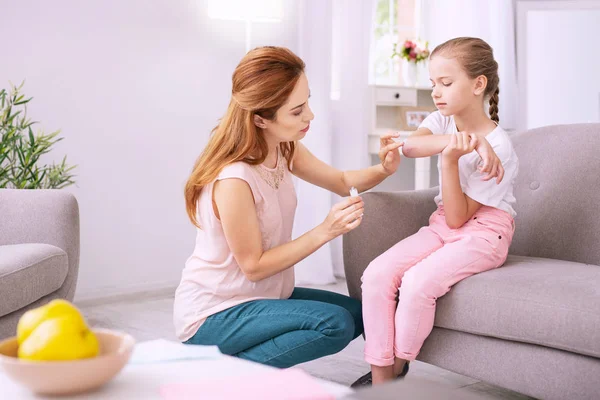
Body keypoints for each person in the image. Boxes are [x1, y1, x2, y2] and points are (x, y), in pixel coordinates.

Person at [173, 46, 405, 368]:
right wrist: (326, 230)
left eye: (307, 101)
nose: (309, 115)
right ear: (260, 119)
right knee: (334, 324)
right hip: (216, 312)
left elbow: (341, 180)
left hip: (263, 298)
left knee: (363, 312)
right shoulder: (234, 180)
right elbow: (253, 266)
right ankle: (225, 374)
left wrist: (384, 169)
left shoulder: (284, 147)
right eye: (297, 111)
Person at [352, 37, 519, 387]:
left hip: (486, 232)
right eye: (433, 84)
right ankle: (383, 380)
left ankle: (394, 374)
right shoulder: (443, 121)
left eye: (446, 83)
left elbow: (460, 218)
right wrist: (470, 142)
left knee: (417, 283)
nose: (436, 92)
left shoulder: (500, 148)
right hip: (444, 224)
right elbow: (410, 146)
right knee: (377, 274)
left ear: (478, 84)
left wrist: (450, 158)